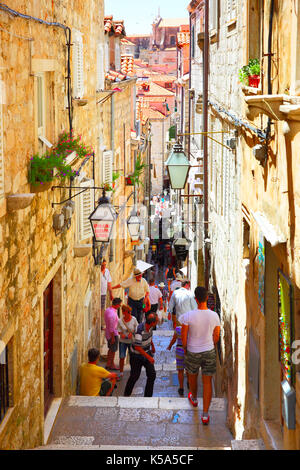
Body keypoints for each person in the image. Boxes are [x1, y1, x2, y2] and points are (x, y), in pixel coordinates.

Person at [179, 286, 221, 425]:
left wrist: (185, 348)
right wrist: (210, 345)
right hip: (209, 350)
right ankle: (205, 414)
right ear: (206, 298)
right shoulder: (214, 316)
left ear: (195, 299)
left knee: (192, 377)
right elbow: (216, 336)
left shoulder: (188, 316)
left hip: (192, 351)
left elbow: (183, 336)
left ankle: (195, 398)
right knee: (207, 382)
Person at [124, 313, 158, 397]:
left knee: (152, 374)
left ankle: (148, 397)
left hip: (146, 352)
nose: (157, 322)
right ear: (152, 322)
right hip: (136, 356)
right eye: (156, 321)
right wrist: (149, 357)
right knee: (134, 376)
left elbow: (149, 337)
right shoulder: (139, 330)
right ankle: (126, 394)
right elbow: (137, 347)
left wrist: (152, 346)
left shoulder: (150, 327)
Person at [118, 305, 138, 378]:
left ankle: (133, 371)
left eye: (130, 312)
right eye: (128, 312)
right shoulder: (120, 321)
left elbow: (137, 328)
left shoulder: (134, 319)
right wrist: (122, 335)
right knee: (122, 357)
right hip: (123, 342)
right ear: (123, 312)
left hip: (131, 341)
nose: (129, 314)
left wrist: (132, 332)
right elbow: (119, 331)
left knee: (132, 357)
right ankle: (121, 372)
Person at [167, 325, 187, 396]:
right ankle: (189, 384)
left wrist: (169, 346)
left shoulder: (178, 329)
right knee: (188, 369)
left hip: (179, 350)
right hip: (189, 350)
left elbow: (174, 339)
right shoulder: (191, 329)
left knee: (180, 371)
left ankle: (181, 388)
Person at [104, 297, 122, 370]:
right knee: (113, 350)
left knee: (110, 349)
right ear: (117, 305)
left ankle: (108, 363)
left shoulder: (108, 310)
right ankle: (112, 364)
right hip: (112, 334)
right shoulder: (113, 315)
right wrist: (113, 338)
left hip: (108, 333)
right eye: (120, 305)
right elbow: (112, 328)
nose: (120, 306)